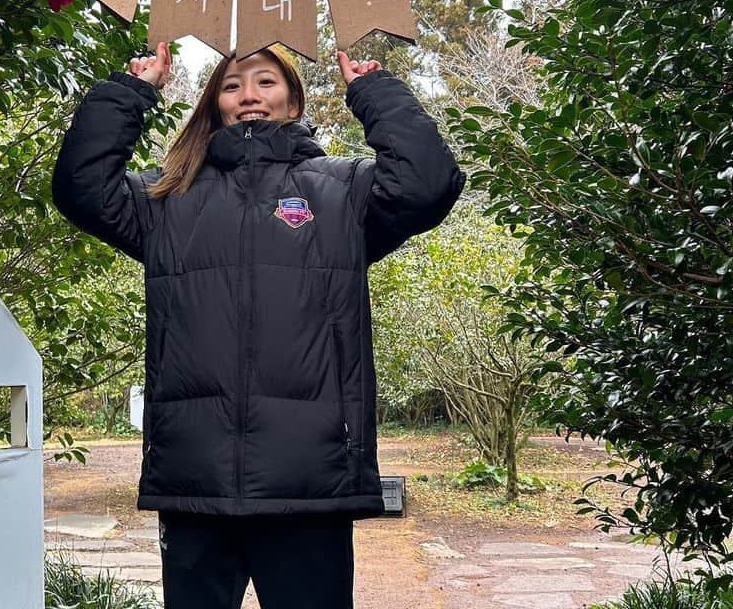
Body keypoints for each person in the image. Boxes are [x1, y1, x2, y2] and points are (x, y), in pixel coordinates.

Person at [52, 41, 465, 609]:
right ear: (216, 104)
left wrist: (371, 90)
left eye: (266, 82)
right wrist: (133, 91)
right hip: (195, 479)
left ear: (294, 101)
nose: (248, 95)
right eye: (231, 85)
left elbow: (428, 183)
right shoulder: (167, 198)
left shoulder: (343, 192)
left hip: (307, 476)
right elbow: (82, 188)